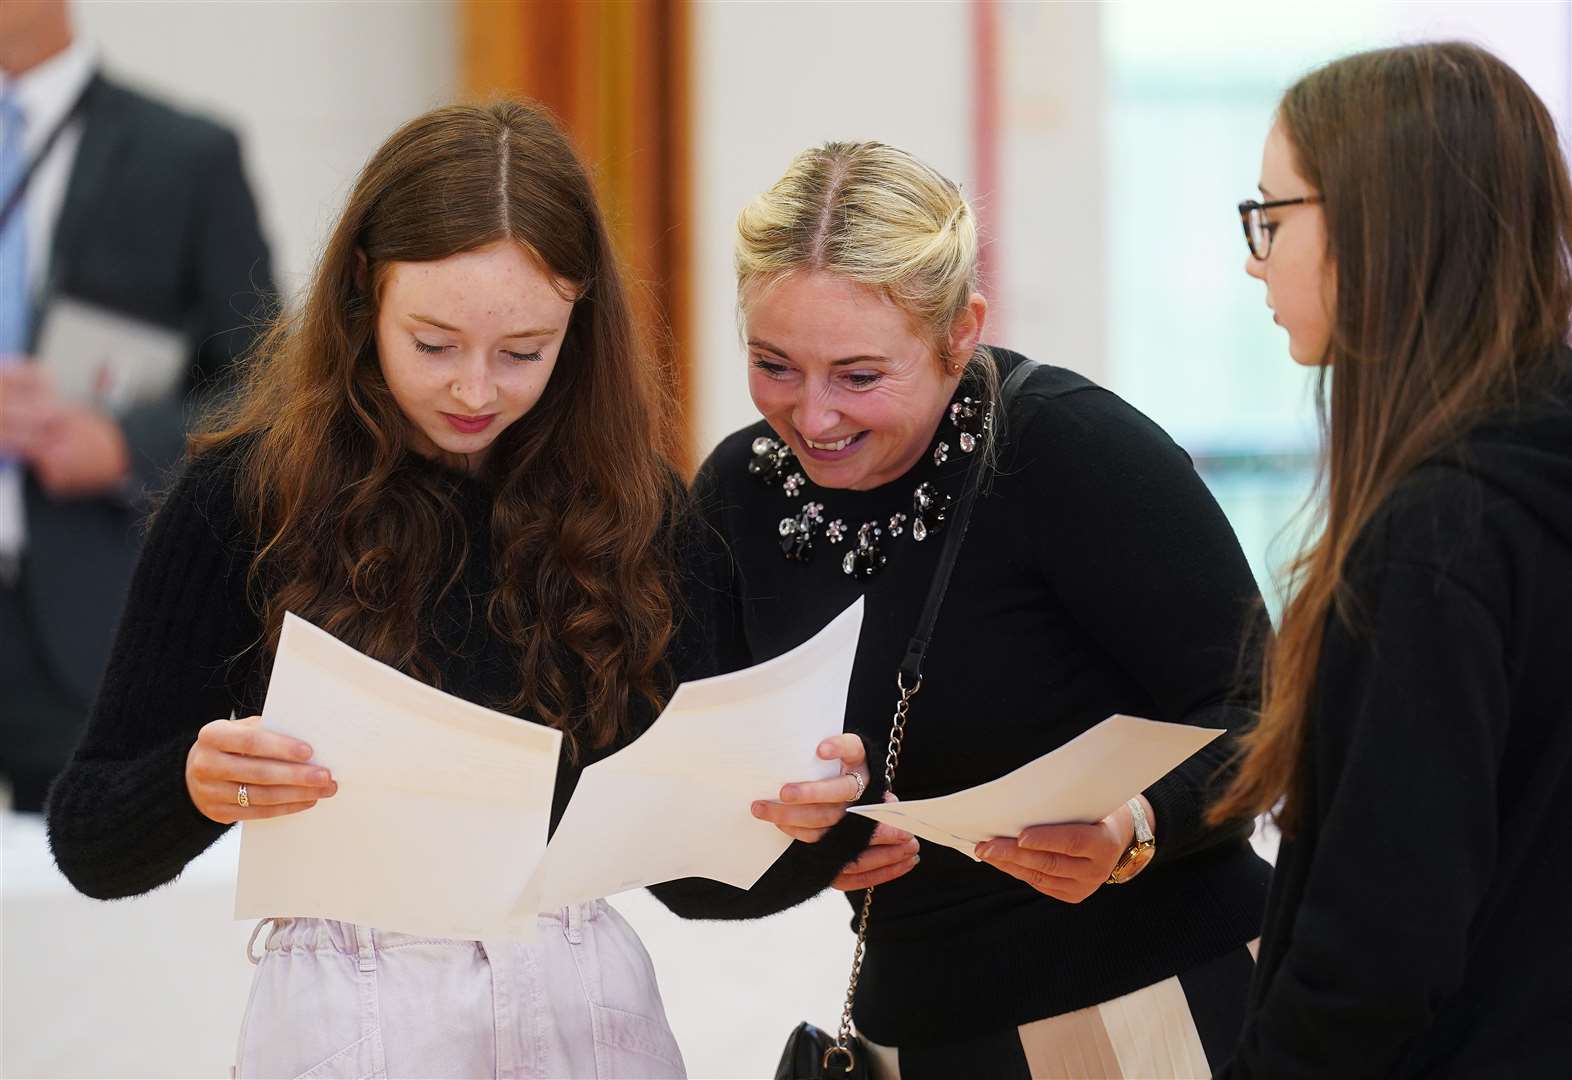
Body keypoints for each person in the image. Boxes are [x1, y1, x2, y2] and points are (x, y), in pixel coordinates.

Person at [46, 101, 691, 1079]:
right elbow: (92, 835)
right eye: (432, 344)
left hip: (584, 1004)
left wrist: (793, 826)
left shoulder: (637, 505)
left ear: (581, 320)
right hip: (351, 1013)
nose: (475, 390)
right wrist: (193, 780)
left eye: (524, 352)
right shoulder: (246, 493)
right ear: (362, 292)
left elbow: (698, 875)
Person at [651, 142, 1272, 1078]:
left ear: (962, 331)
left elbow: (1264, 716)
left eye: (860, 377)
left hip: (1159, 1005)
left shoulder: (1069, 449)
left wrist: (1133, 831)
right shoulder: (738, 493)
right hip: (920, 1031)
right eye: (774, 365)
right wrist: (799, 849)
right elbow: (682, 846)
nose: (814, 417)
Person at [1212, 42, 1572, 1077]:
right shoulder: (1514, 482)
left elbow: (1374, 958)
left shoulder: (1438, 537)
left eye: (1273, 218)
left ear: (1381, 225)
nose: (1255, 256)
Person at [0, 0, 273, 812]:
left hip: (88, 616)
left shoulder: (182, 155)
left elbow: (266, 379)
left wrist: (124, 444)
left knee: (88, 908)